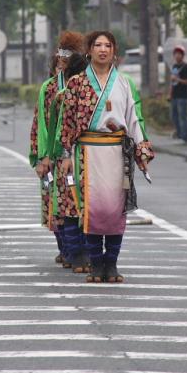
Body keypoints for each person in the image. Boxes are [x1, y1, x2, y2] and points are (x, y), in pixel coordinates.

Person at [58, 30, 154, 283]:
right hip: (87, 155)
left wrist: (141, 151)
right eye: (98, 45)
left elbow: (134, 119)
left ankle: (111, 264)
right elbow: (66, 122)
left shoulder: (124, 83)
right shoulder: (76, 84)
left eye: (108, 45)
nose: (103, 49)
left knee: (114, 210)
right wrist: (66, 154)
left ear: (114, 51)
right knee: (91, 210)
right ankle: (96, 264)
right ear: (89, 50)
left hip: (116, 154)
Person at [29, 31, 85, 265]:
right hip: (52, 157)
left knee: (75, 204)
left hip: (79, 155)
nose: (62, 63)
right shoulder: (49, 88)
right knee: (56, 205)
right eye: (59, 59)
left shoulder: (83, 86)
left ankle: (77, 252)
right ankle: (66, 250)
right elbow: (39, 123)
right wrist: (41, 156)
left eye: (67, 59)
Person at [169, 46, 187, 143]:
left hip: (183, 96)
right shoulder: (174, 66)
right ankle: (179, 134)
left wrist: (177, 79)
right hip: (175, 95)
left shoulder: (186, 67)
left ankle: (184, 137)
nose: (177, 55)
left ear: (182, 55)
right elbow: (172, 83)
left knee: (182, 116)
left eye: (179, 54)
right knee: (174, 116)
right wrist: (170, 94)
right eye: (176, 54)